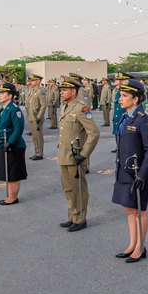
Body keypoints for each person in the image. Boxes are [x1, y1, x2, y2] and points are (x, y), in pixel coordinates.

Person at [112, 79, 148, 263]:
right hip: (124, 171)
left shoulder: (144, 120)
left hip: (138, 174)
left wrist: (142, 175)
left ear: (135, 98)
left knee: (139, 210)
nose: (120, 99)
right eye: (120, 95)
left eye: (124, 96)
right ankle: (132, 244)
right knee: (129, 209)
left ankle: (140, 247)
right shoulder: (126, 117)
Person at [57, 76, 100, 232]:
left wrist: (84, 154)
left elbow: (94, 132)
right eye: (61, 90)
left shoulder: (81, 108)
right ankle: (72, 215)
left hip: (75, 156)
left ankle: (80, 218)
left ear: (73, 92)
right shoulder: (66, 106)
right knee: (68, 189)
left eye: (65, 90)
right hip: (64, 154)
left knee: (78, 189)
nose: (61, 93)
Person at [0, 83, 27, 205]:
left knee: (13, 174)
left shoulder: (14, 109)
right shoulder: (3, 109)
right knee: (7, 173)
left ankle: (13, 197)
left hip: (13, 147)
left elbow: (18, 129)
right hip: (3, 144)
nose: (0, 95)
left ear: (10, 95)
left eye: (3, 93)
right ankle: (10, 195)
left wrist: (10, 142)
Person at [26, 75, 47, 160]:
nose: (31, 82)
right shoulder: (32, 91)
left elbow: (43, 105)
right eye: (31, 80)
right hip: (31, 116)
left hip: (36, 116)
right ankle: (36, 152)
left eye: (33, 80)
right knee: (34, 136)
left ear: (38, 81)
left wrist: (39, 116)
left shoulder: (40, 92)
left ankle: (40, 153)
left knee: (38, 135)